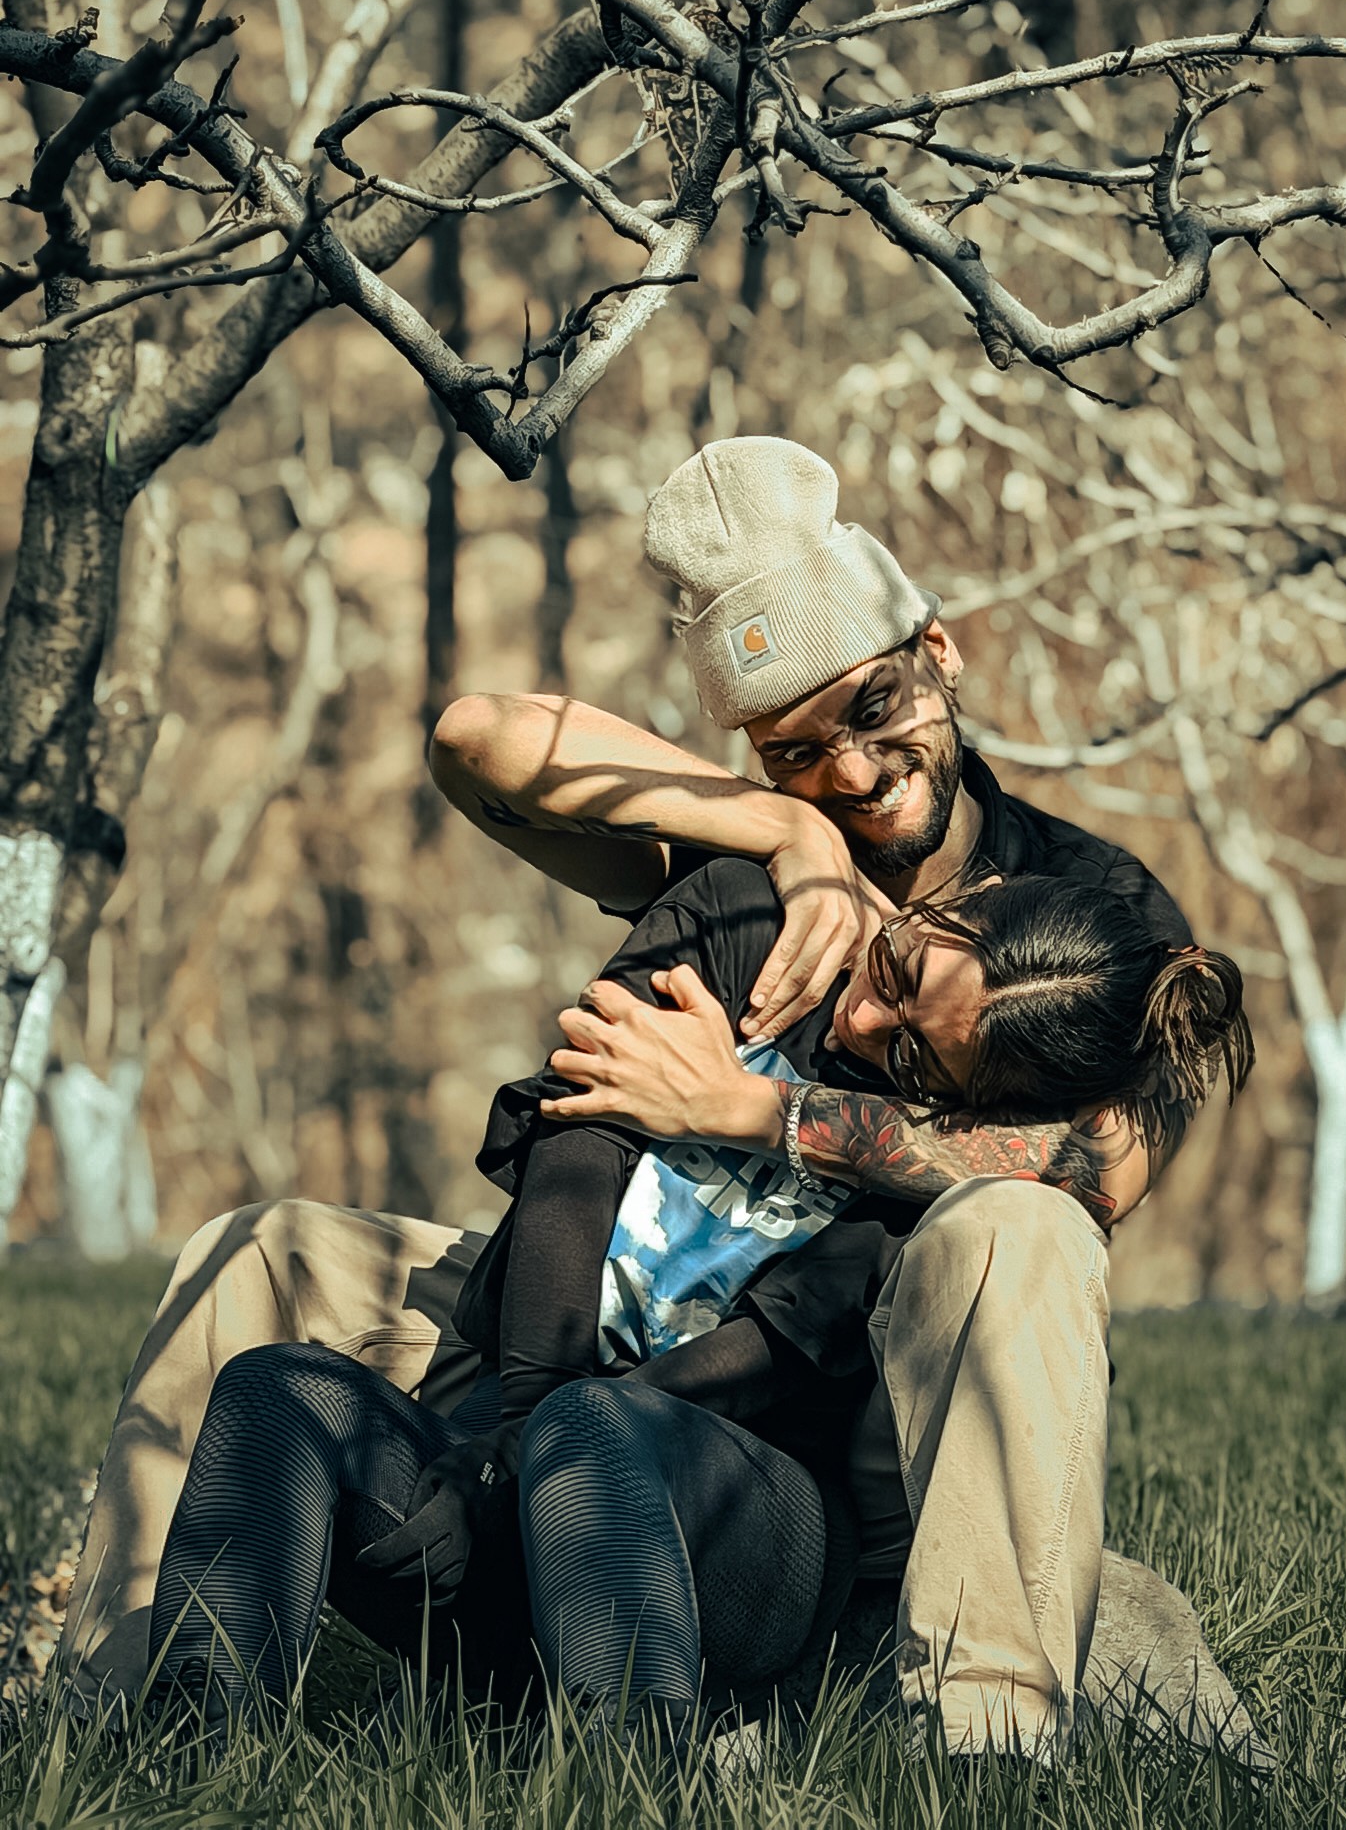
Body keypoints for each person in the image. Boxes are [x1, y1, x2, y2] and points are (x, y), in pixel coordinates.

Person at [61, 435, 1239, 1756]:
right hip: (601, 1327)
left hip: (847, 1407)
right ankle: (109, 1716)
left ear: (938, 651)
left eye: (874, 708)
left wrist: (764, 1115)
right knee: (262, 1254)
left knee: (1021, 1228)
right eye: (797, 751)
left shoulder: (1089, 914)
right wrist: (779, 829)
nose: (854, 773)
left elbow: (1099, 1173)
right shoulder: (752, 872)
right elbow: (477, 739)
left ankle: (984, 1734)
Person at [143, 858, 1250, 1735]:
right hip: (517, 1447)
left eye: (919, 1055)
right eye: (900, 969)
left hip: (735, 1522)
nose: (871, 1025)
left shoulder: (924, 1162)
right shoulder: (743, 921)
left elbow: (773, 1348)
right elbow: (576, 1145)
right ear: (965, 897)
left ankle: (628, 1774)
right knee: (278, 1394)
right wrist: (496, 1445)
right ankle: (188, 1753)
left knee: (593, 1429)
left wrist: (527, 1450)